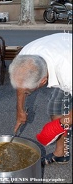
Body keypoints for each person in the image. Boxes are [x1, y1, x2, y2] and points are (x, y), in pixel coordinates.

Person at [9, 32, 72, 165]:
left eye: (28, 91)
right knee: (56, 105)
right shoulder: (24, 56)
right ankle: (61, 153)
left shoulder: (67, 73)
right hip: (60, 50)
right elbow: (21, 83)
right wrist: (20, 110)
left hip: (67, 59)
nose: (26, 92)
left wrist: (61, 124)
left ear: (43, 81)